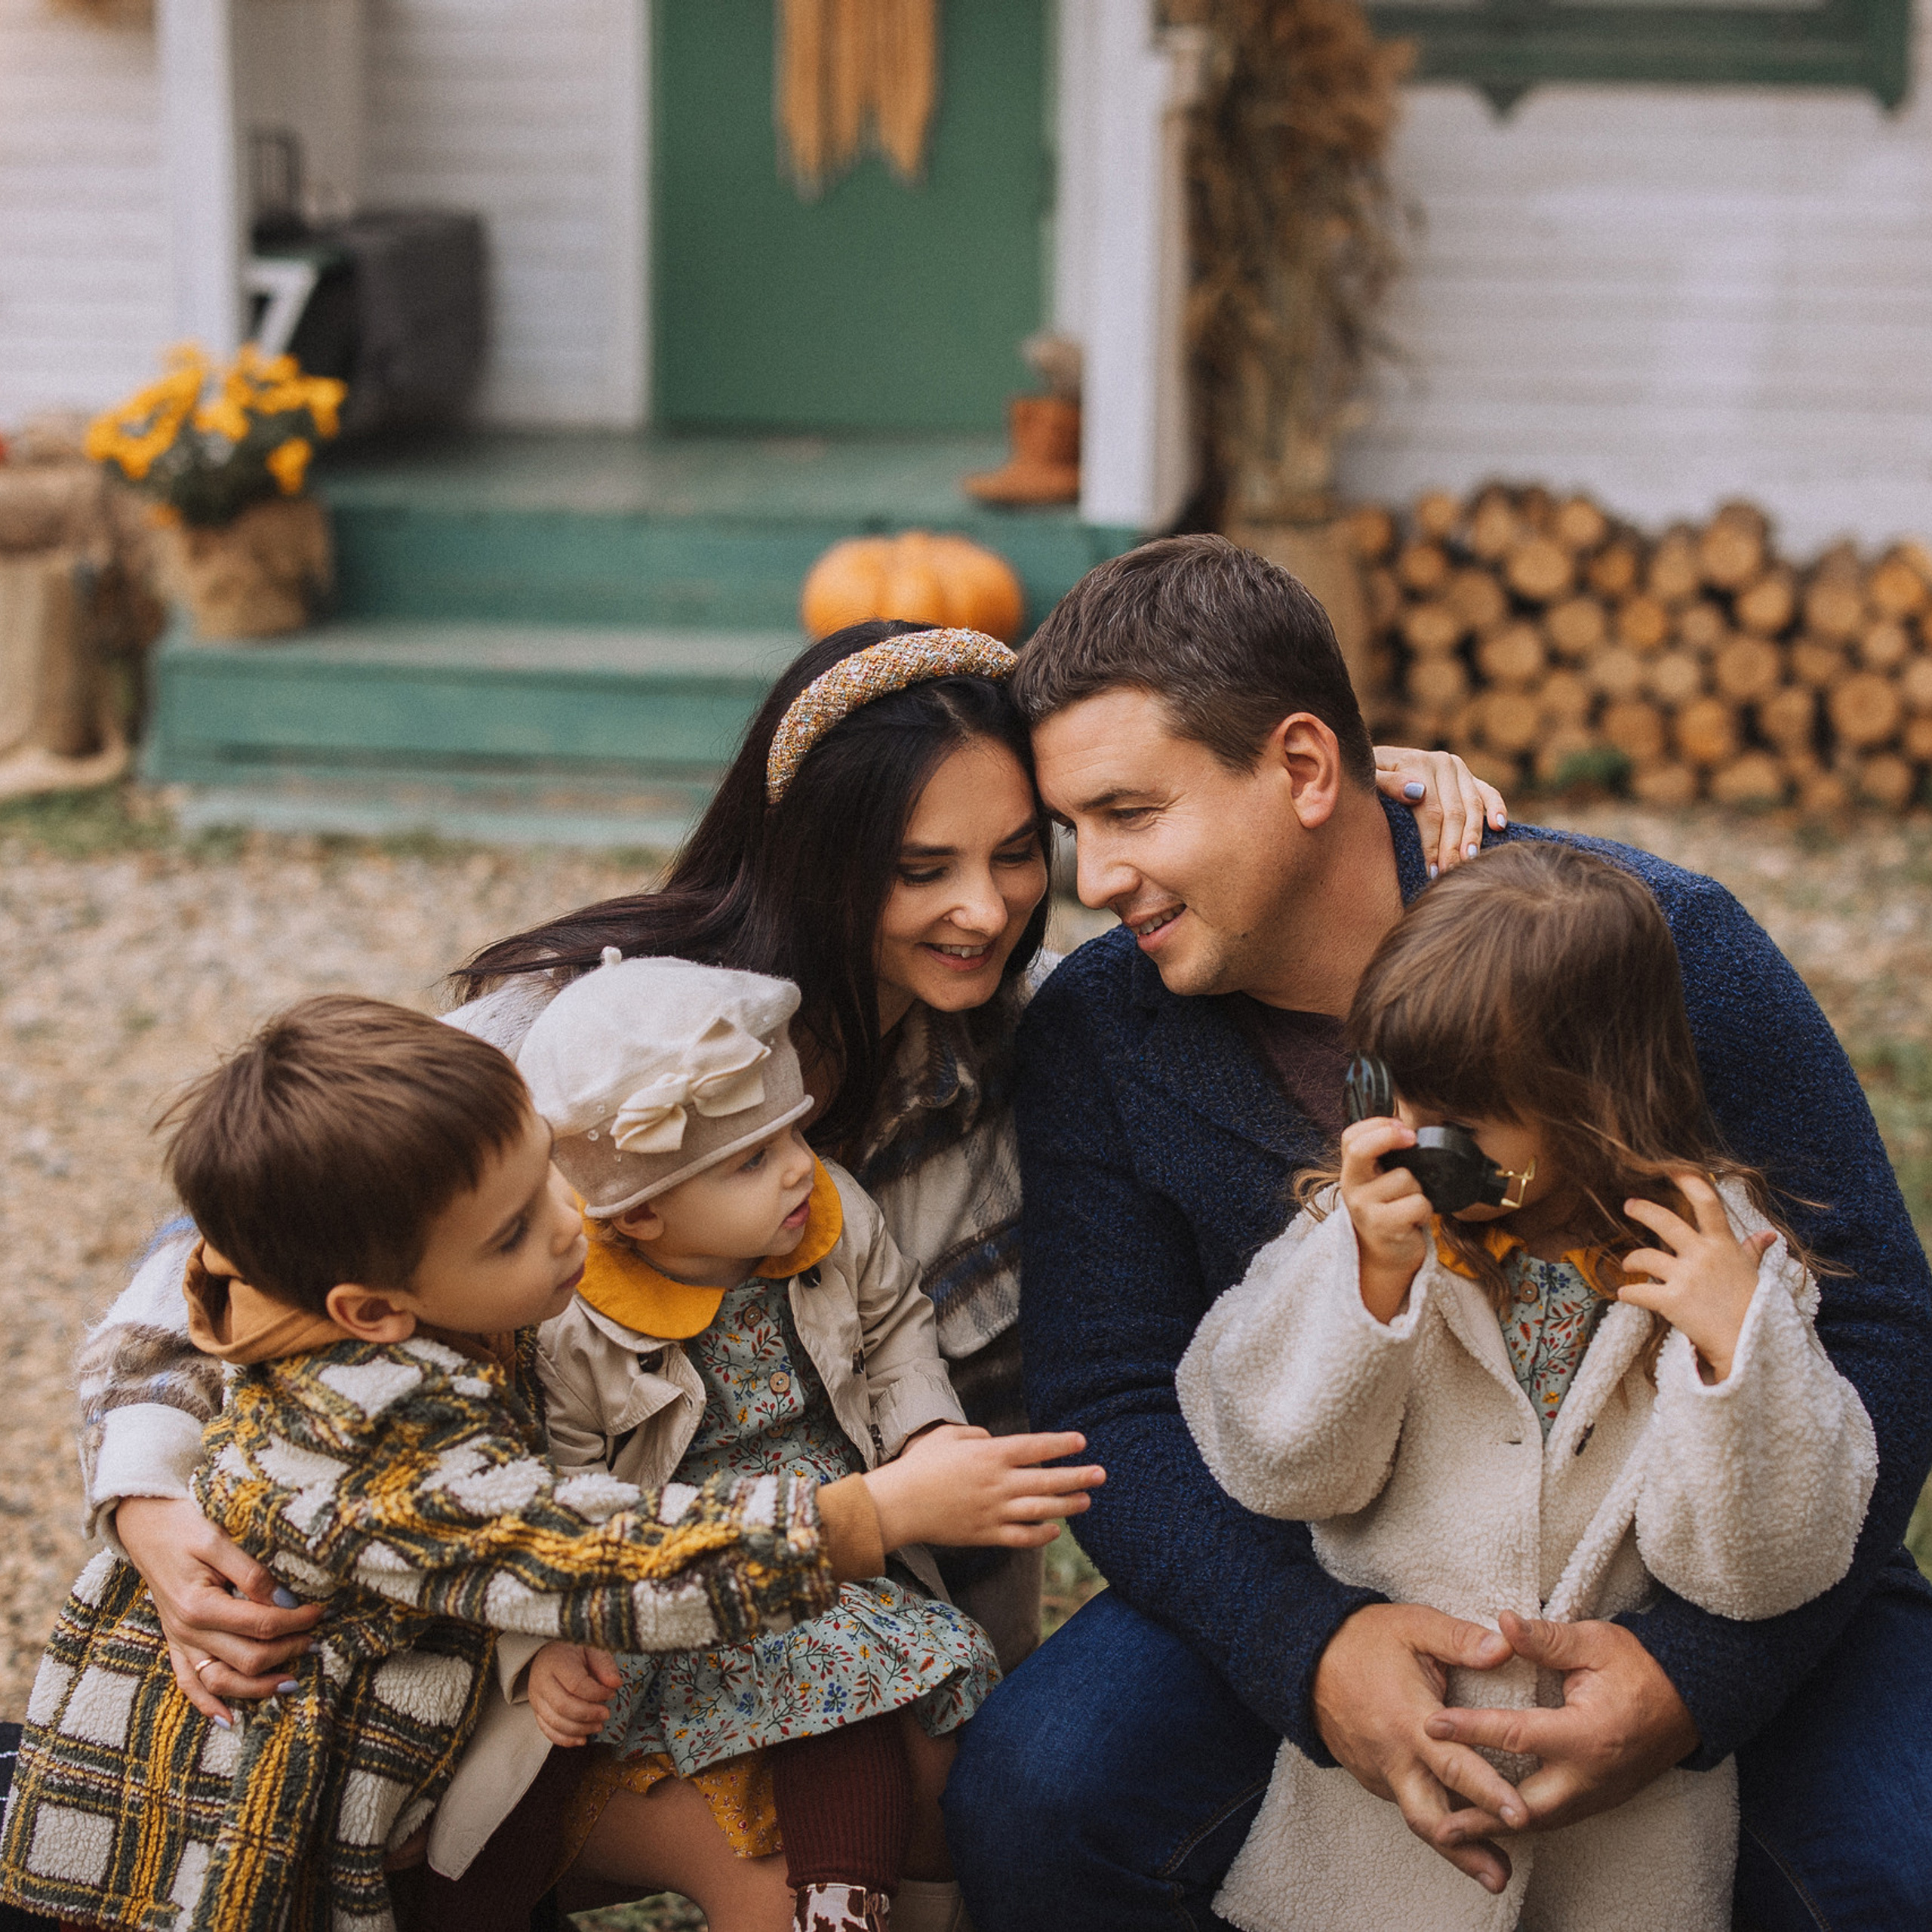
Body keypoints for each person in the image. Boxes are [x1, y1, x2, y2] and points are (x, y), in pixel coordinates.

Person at [77, 620, 1497, 1723]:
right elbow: (232, 1243)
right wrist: (149, 1499)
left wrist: (1358, 807)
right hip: (549, 1603)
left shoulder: (1040, 1036)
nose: (981, 907)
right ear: (820, 860)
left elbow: (1228, 880)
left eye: (1016, 856)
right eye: (919, 866)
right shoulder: (609, 1030)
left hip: (859, 1590)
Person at [943, 533, 1932, 1932]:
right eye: (1074, 832)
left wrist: (1698, 1678)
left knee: (1904, 1864)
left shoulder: (1653, 945)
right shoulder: (1106, 1029)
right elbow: (1109, 1399)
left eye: (1132, 813)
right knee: (1039, 1795)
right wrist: (1311, 1650)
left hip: (1715, 1541)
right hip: (1343, 1560)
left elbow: (1882, 1320)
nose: (1094, 877)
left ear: (1301, 769)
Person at [0, 996, 838, 1932]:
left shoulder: (336, 1283)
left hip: (327, 1761)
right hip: (208, 1827)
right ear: (370, 1311)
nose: (569, 1222)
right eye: (513, 1231)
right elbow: (578, 1551)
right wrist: (857, 1522)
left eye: (547, 1176)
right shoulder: (370, 1424)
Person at [1174, 841, 1877, 1931]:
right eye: (1380, 1089)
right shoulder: (1360, 1229)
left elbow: (1759, 1571)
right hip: (1376, 1848)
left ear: (1596, 1107)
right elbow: (1277, 1464)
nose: (1406, 1140)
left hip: (1621, 1849)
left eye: (1456, 1120)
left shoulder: (1729, 1274)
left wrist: (1735, 1357)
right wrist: (1360, 1285)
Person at [464, 949, 1101, 1932]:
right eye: (752, 1159)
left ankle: (913, 1906)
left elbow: (895, 1334)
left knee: (938, 1734)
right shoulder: (577, 1327)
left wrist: (927, 1432)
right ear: (640, 1212)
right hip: (682, 1590)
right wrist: (536, 1651)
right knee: (839, 1713)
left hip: (841, 1562)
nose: (802, 1166)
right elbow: (554, 1517)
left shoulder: (824, 1223)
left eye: (794, 1129)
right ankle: (838, 1904)